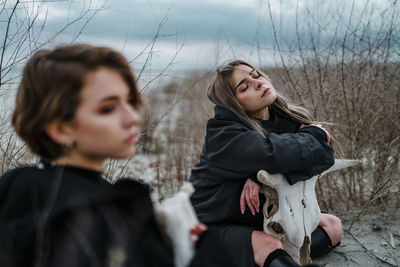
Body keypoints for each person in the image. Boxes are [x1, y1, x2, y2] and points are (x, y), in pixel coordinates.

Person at [0, 44, 234, 267]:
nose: (132, 117)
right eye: (108, 108)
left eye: (129, 101)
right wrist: (210, 249)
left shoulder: (17, 186)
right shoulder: (96, 215)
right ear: (60, 129)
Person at [189, 59, 343, 267]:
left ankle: (274, 259)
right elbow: (275, 152)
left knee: (333, 226)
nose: (258, 83)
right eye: (244, 87)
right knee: (268, 245)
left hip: (261, 221)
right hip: (208, 227)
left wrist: (257, 175)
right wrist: (312, 136)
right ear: (234, 104)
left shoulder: (286, 120)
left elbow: (321, 157)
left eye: (256, 75)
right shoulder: (223, 134)